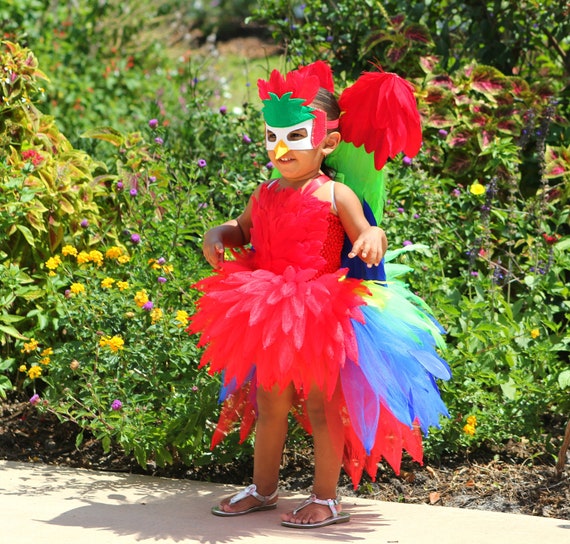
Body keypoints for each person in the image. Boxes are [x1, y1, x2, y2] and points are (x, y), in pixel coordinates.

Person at [187, 61, 450, 529]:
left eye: (294, 136)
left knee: (323, 408)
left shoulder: (336, 195)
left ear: (328, 141)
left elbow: (369, 230)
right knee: (270, 405)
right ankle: (263, 490)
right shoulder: (263, 191)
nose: (281, 148)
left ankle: (325, 497)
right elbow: (243, 230)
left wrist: (372, 240)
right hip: (267, 310)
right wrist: (220, 231)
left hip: (322, 312)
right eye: (272, 136)